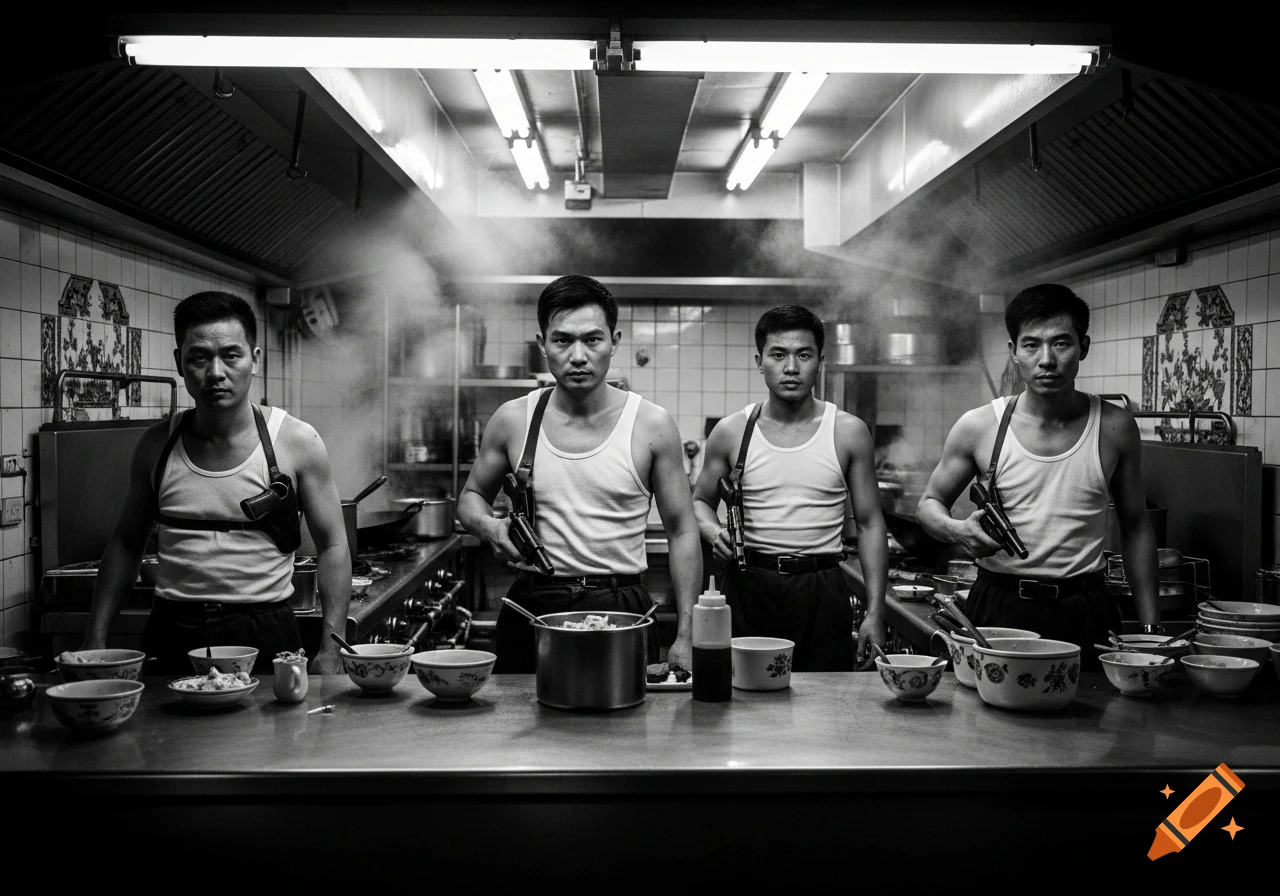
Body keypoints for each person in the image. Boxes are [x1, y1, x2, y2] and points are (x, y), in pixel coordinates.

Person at [81, 292, 350, 674]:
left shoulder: (297, 442)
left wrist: (331, 646)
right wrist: (94, 638)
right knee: (161, 735)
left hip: (266, 631)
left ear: (255, 360)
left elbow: (334, 545)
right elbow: (126, 543)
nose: (216, 373)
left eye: (231, 355)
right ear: (180, 362)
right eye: (200, 357)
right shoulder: (156, 446)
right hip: (173, 632)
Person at [458, 275, 700, 673]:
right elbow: (470, 498)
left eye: (592, 339)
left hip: (622, 606)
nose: (578, 355)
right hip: (534, 607)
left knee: (625, 729)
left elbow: (683, 531)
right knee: (520, 727)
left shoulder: (651, 425)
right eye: (562, 340)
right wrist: (489, 528)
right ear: (542, 345)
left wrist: (688, 635)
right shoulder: (513, 419)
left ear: (614, 342)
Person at [916, 284, 1160, 660]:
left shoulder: (1114, 427)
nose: (1046, 359)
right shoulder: (980, 426)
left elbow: (1136, 526)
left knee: (1095, 718)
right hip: (998, 605)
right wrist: (958, 531)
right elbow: (930, 504)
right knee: (985, 719)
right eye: (1031, 345)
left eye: (1061, 343)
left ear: (1084, 347)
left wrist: (1150, 629)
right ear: (1014, 352)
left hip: (1085, 608)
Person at [692, 305, 888, 671]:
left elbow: (870, 524)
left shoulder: (848, 431)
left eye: (804, 355)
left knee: (826, 709)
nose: (791, 368)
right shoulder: (732, 431)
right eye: (778, 354)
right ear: (759, 360)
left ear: (821, 361)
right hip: (749, 584)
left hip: (823, 588)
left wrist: (875, 613)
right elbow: (699, 501)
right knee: (744, 706)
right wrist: (712, 529)